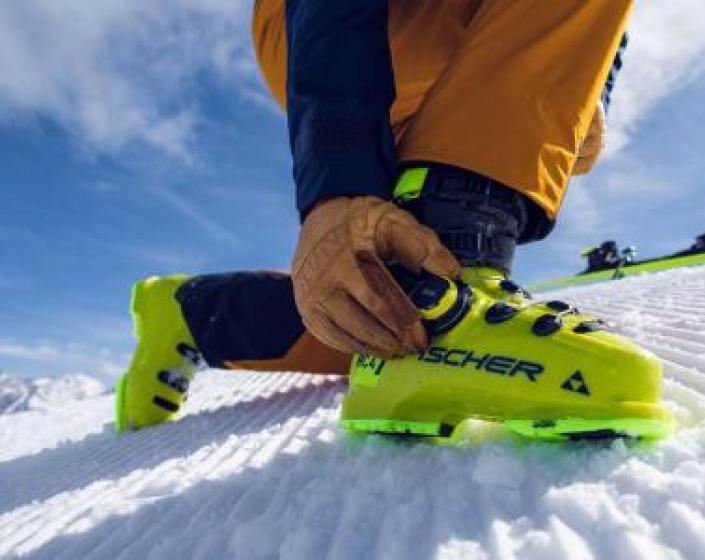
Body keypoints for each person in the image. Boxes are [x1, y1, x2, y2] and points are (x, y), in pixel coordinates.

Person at [114, 0, 670, 440]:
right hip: (339, 21)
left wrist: (593, 88)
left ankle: (194, 311)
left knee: (379, 308)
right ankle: (451, 311)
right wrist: (339, 183)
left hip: (458, 36)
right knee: (421, 295)